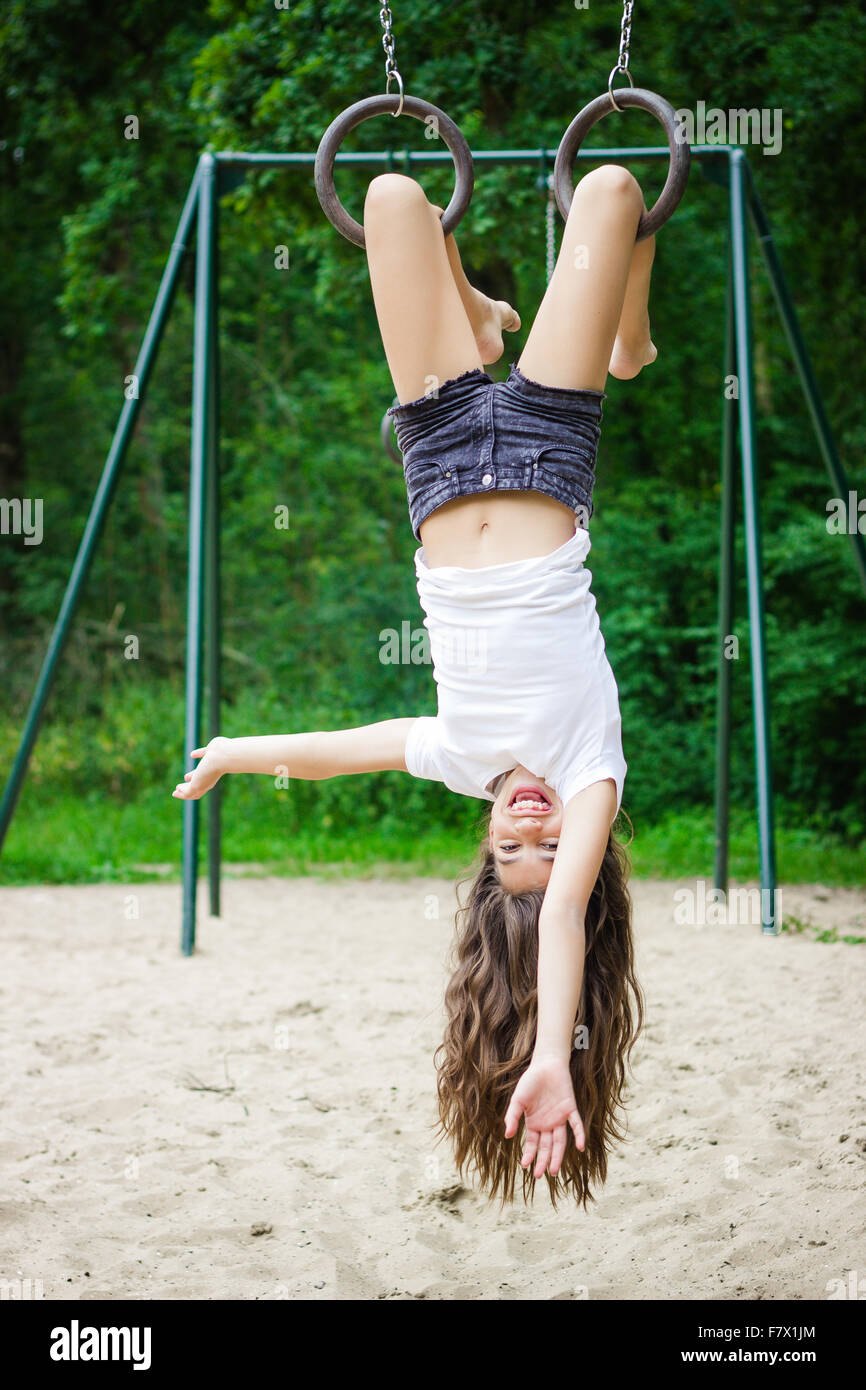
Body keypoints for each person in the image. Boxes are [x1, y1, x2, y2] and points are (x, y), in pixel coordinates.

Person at [173, 163, 654, 1207]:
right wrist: (551, 1055)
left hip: (435, 450)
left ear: (483, 846)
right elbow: (560, 920)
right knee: (612, 187)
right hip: (546, 440)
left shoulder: (458, 756)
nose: (529, 827)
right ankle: (630, 338)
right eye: (547, 849)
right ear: (578, 848)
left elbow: (332, 751)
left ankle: (480, 319)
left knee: (390, 193)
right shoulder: (588, 770)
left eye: (508, 849)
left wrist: (231, 754)